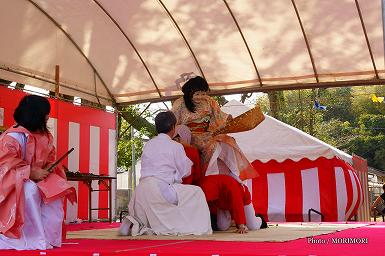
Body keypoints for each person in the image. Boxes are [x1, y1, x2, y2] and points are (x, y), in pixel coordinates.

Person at [0, 95, 76, 250]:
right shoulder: (12, 137)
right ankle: (31, 239)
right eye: (46, 113)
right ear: (36, 114)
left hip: (37, 178)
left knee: (55, 191)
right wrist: (31, 173)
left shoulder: (45, 137)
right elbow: (4, 166)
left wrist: (50, 170)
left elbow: (50, 159)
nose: (48, 116)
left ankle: (49, 239)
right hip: (12, 184)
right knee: (30, 190)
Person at [124, 111, 212, 236]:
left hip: (141, 191)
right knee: (197, 192)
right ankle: (190, 226)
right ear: (172, 127)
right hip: (160, 189)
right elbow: (185, 171)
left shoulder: (148, 144)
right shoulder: (176, 146)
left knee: (178, 191)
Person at [172, 75, 257, 182]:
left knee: (229, 142)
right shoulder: (180, 103)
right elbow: (173, 121)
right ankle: (210, 174)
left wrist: (231, 119)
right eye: (197, 94)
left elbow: (219, 115)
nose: (201, 97)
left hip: (207, 133)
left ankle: (234, 173)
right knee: (213, 145)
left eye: (203, 93)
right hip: (190, 136)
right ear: (190, 92)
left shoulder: (209, 101)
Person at [200, 174, 267, 234]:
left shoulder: (231, 185)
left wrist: (241, 224)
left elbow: (238, 204)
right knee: (222, 227)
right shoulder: (204, 184)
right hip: (222, 204)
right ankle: (233, 221)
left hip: (243, 201)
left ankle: (259, 218)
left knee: (252, 226)